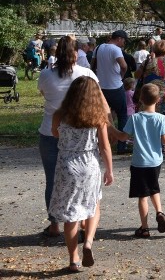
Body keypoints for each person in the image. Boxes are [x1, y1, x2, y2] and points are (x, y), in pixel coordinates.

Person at [48, 76, 113, 273]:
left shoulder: (60, 114)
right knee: (93, 205)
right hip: (89, 164)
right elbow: (105, 146)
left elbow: (54, 133)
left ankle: (73, 259)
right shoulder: (98, 117)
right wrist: (109, 170)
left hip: (67, 165)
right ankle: (89, 243)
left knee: (71, 214)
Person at [37, 35, 99, 238]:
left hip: (49, 131)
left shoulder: (45, 75)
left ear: (56, 53)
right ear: (76, 53)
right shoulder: (86, 74)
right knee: (81, 178)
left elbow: (43, 94)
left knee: (52, 180)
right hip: (79, 134)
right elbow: (98, 99)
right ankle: (80, 221)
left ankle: (54, 224)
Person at [114, 83, 165, 238]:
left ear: (141, 99)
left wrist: (110, 128)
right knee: (154, 188)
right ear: (158, 100)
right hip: (155, 162)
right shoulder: (161, 118)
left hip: (139, 162)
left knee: (143, 196)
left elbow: (123, 137)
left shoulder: (135, 118)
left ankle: (144, 228)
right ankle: (160, 212)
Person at [92, 30, 130, 153]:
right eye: (124, 41)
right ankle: (121, 145)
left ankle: (101, 143)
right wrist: (121, 76)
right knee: (122, 115)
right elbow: (124, 66)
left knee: (102, 116)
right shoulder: (116, 49)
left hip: (102, 88)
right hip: (115, 87)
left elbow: (93, 65)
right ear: (119, 39)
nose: (124, 43)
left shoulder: (98, 48)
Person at [135, 40, 165, 126]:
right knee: (162, 120)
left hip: (149, 95)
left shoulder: (148, 62)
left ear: (154, 50)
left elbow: (136, 75)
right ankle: (162, 137)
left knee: (148, 120)